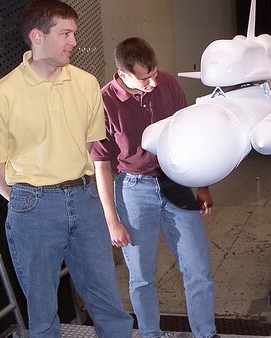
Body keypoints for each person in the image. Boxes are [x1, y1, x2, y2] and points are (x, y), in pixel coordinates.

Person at [0, 0, 133, 338]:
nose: (73, 41)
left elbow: (92, 149)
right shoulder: (3, 95)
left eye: (74, 33)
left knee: (108, 302)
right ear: (37, 36)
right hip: (33, 208)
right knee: (43, 312)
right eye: (65, 33)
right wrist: (28, 202)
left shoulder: (87, 83)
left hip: (86, 198)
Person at [91, 37, 218, 338]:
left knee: (198, 269)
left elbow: (188, 139)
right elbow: (101, 164)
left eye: (155, 73)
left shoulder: (170, 86)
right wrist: (112, 221)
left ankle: (207, 333)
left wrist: (202, 185)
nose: (152, 83)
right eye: (144, 78)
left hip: (175, 181)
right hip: (133, 190)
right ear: (122, 74)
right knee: (141, 275)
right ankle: (150, 334)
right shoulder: (104, 101)